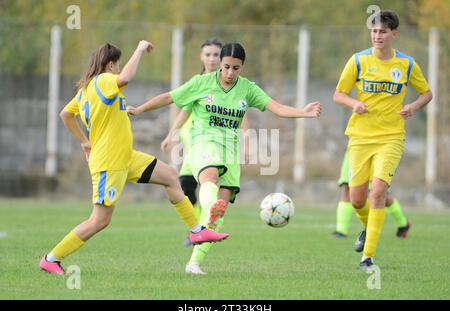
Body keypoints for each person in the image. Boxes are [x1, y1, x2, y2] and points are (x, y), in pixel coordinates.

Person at [127, 42, 322, 274]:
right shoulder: (202, 83)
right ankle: (210, 208)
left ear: (242, 67)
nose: (230, 73)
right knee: (209, 176)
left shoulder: (248, 89)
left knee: (218, 216)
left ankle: (194, 263)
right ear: (220, 63)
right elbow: (169, 98)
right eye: (227, 67)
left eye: (236, 68)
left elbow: (276, 108)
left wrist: (303, 112)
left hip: (231, 152)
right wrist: (139, 109)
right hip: (203, 142)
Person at [39, 41, 229, 275]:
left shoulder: (85, 90)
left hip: (126, 157)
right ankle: (51, 258)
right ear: (110, 64)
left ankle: (196, 230)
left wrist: (84, 141)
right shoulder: (104, 80)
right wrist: (139, 49)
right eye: (117, 64)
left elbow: (66, 114)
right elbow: (125, 78)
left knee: (170, 175)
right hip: (109, 162)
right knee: (100, 220)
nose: (119, 69)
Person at [333, 10, 432, 271]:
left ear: (393, 35)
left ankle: (367, 257)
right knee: (356, 199)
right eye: (374, 31)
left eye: (383, 32)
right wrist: (354, 103)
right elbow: (338, 94)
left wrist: (413, 106)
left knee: (377, 192)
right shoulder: (357, 61)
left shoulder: (407, 64)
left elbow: (427, 93)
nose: (377, 36)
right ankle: (368, 228)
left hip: (391, 138)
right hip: (360, 138)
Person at [160, 39, 252, 275]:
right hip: (196, 142)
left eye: (214, 54)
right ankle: (197, 228)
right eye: (208, 55)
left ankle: (200, 231)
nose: (211, 59)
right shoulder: (198, 83)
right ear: (202, 58)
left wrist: (247, 140)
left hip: (221, 145)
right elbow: (185, 108)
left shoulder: (240, 88)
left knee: (207, 187)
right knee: (188, 188)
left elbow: (241, 112)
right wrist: (172, 133)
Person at [331, 150, 411, 239]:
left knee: (377, 193)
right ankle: (341, 230)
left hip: (374, 149)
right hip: (354, 148)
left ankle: (403, 223)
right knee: (346, 186)